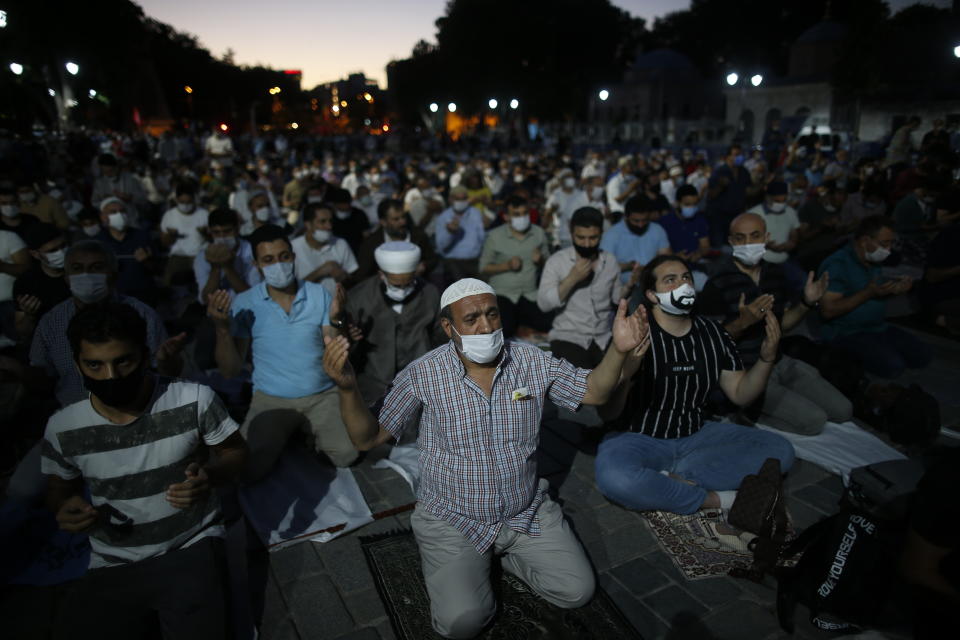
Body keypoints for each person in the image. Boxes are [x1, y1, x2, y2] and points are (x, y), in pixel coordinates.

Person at [322, 277, 650, 639]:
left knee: (575, 591)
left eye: (492, 314)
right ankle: (460, 562)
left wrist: (618, 350)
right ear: (448, 327)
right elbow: (368, 437)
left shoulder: (528, 359)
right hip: (453, 518)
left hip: (524, 509)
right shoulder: (423, 374)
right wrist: (348, 388)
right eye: (472, 319)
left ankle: (500, 557)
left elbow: (593, 392)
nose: (486, 326)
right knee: (461, 624)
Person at [42, 302, 247, 640]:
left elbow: (235, 452)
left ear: (145, 354)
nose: (111, 377)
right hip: (113, 560)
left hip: (189, 546)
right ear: (77, 365)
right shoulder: (64, 427)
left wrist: (211, 477)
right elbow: (58, 489)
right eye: (95, 365)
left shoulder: (194, 399)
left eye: (123, 361)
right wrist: (64, 508)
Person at [595, 255, 795, 525]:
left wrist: (766, 359)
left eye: (686, 277)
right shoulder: (633, 333)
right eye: (671, 280)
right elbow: (607, 414)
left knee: (780, 450)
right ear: (652, 295)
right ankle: (715, 499)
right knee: (615, 478)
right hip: (638, 436)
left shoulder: (714, 333)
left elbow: (740, 393)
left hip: (696, 433)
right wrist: (626, 375)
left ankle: (671, 480)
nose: (683, 285)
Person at [209, 224, 357, 481]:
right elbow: (230, 370)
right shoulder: (246, 303)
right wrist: (222, 330)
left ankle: (304, 433)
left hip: (322, 394)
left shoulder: (318, 294)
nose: (278, 265)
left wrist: (337, 319)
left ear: (293, 256)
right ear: (256, 264)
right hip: (271, 399)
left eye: (284, 257)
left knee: (347, 456)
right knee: (249, 471)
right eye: (268, 260)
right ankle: (294, 434)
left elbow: (334, 347)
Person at [700, 213, 850, 435]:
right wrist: (742, 323)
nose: (748, 244)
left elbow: (783, 324)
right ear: (732, 242)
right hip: (747, 372)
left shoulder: (775, 274)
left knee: (843, 411)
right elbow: (708, 343)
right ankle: (745, 410)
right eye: (740, 238)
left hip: (780, 361)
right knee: (815, 422)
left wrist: (807, 303)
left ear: (766, 238)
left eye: (755, 236)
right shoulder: (717, 282)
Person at [30, 240, 183, 407]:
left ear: (114, 274)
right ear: (66, 277)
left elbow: (166, 374)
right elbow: (41, 376)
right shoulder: (51, 322)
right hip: (75, 416)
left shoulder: (144, 315)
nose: (86, 275)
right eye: (77, 269)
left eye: (96, 268)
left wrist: (167, 363)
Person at [818, 215, 932, 378]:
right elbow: (828, 311)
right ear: (865, 241)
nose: (889, 249)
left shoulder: (871, 262)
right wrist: (868, 293)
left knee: (923, 355)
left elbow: (872, 294)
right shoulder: (838, 264)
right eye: (884, 243)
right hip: (845, 332)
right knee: (893, 366)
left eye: (891, 243)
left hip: (876, 327)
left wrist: (893, 291)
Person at [345, 241, 444, 400]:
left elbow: (442, 336)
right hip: (374, 384)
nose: (403, 290)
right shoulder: (359, 298)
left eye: (408, 284)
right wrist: (350, 337)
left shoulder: (430, 293)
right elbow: (346, 344)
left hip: (420, 380)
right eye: (397, 285)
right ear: (381, 274)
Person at [537, 207, 625, 369]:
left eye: (593, 238)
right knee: (583, 384)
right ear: (571, 234)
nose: (586, 244)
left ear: (601, 234)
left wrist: (630, 287)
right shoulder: (557, 261)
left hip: (604, 337)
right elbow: (544, 304)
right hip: (569, 336)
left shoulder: (610, 261)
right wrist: (572, 279)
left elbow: (616, 298)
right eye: (581, 238)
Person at [478, 195, 551, 338]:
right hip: (503, 294)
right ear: (506, 216)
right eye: (516, 214)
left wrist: (540, 260)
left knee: (547, 324)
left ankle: (525, 328)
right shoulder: (495, 236)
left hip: (530, 293)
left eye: (525, 213)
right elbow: (483, 268)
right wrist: (507, 266)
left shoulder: (538, 233)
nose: (522, 218)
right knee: (505, 329)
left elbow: (550, 264)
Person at [353, 198, 438, 283]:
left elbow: (432, 259)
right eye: (396, 219)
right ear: (383, 222)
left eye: (403, 217)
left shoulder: (418, 236)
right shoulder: (371, 243)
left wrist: (424, 266)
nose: (403, 222)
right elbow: (361, 275)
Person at [12, 223, 71, 341]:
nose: (61, 253)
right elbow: (23, 332)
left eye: (63, 246)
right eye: (52, 250)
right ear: (35, 254)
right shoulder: (26, 282)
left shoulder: (84, 269)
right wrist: (29, 314)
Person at [96, 197, 159, 306]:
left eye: (122, 211)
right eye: (113, 212)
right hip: (112, 299)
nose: (119, 215)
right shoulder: (97, 242)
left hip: (143, 297)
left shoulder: (142, 236)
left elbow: (157, 269)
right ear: (103, 217)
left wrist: (146, 261)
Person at [193, 207, 260, 306]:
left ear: (237, 229)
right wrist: (215, 268)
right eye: (216, 233)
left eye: (227, 231)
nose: (222, 237)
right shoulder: (202, 256)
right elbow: (206, 299)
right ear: (210, 232)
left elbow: (253, 297)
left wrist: (227, 267)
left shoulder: (252, 252)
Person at [599, 195, 671, 285]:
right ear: (626, 217)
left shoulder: (657, 230)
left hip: (653, 282)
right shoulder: (612, 234)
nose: (640, 225)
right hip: (622, 286)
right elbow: (603, 267)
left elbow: (666, 258)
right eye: (636, 221)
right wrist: (628, 266)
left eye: (644, 220)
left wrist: (647, 269)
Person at [292, 202, 358, 295]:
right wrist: (320, 272)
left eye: (330, 221)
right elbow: (291, 290)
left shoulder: (340, 243)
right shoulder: (293, 249)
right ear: (308, 225)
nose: (329, 226)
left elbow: (354, 278)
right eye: (322, 222)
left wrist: (344, 277)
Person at [160, 183, 210, 287]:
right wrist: (171, 235)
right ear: (177, 200)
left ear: (194, 200)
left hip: (200, 255)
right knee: (168, 286)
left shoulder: (204, 214)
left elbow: (213, 239)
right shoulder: (169, 215)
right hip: (178, 256)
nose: (186, 205)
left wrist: (205, 233)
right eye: (182, 202)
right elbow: (164, 243)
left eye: (189, 202)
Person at [435, 185, 486, 283]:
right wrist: (450, 233)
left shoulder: (476, 213)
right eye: (457, 199)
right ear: (450, 199)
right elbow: (441, 247)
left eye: (464, 199)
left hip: (475, 261)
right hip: (453, 262)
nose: (461, 202)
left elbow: (481, 237)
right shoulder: (443, 217)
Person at [706, 145, 751, 247]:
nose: (739, 157)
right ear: (728, 157)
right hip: (720, 216)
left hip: (737, 215)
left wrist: (763, 185)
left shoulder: (744, 172)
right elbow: (711, 194)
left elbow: (748, 191)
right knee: (719, 245)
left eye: (740, 154)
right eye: (736, 155)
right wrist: (720, 186)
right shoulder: (719, 172)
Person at [657, 184, 710, 263]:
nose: (691, 208)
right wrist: (675, 257)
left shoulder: (700, 220)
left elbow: (705, 245)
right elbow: (658, 251)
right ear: (678, 203)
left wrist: (698, 254)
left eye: (694, 204)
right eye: (687, 204)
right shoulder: (664, 222)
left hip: (696, 264)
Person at [90, 154, 146, 224]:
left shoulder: (130, 179)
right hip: (110, 222)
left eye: (110, 171)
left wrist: (129, 198)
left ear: (116, 167)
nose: (108, 174)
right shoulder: (99, 183)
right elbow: (94, 202)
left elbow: (143, 199)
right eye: (105, 172)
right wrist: (106, 202)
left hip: (131, 219)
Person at [544, 169, 589, 248]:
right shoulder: (556, 195)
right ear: (561, 180)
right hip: (562, 237)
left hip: (580, 236)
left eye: (572, 176)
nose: (571, 179)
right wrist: (552, 210)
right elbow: (546, 218)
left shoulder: (580, 194)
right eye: (568, 177)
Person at [326, 186, 370, 253]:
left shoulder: (359, 214)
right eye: (342, 203)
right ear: (335, 204)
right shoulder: (329, 217)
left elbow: (366, 235)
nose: (346, 206)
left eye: (347, 202)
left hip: (357, 250)